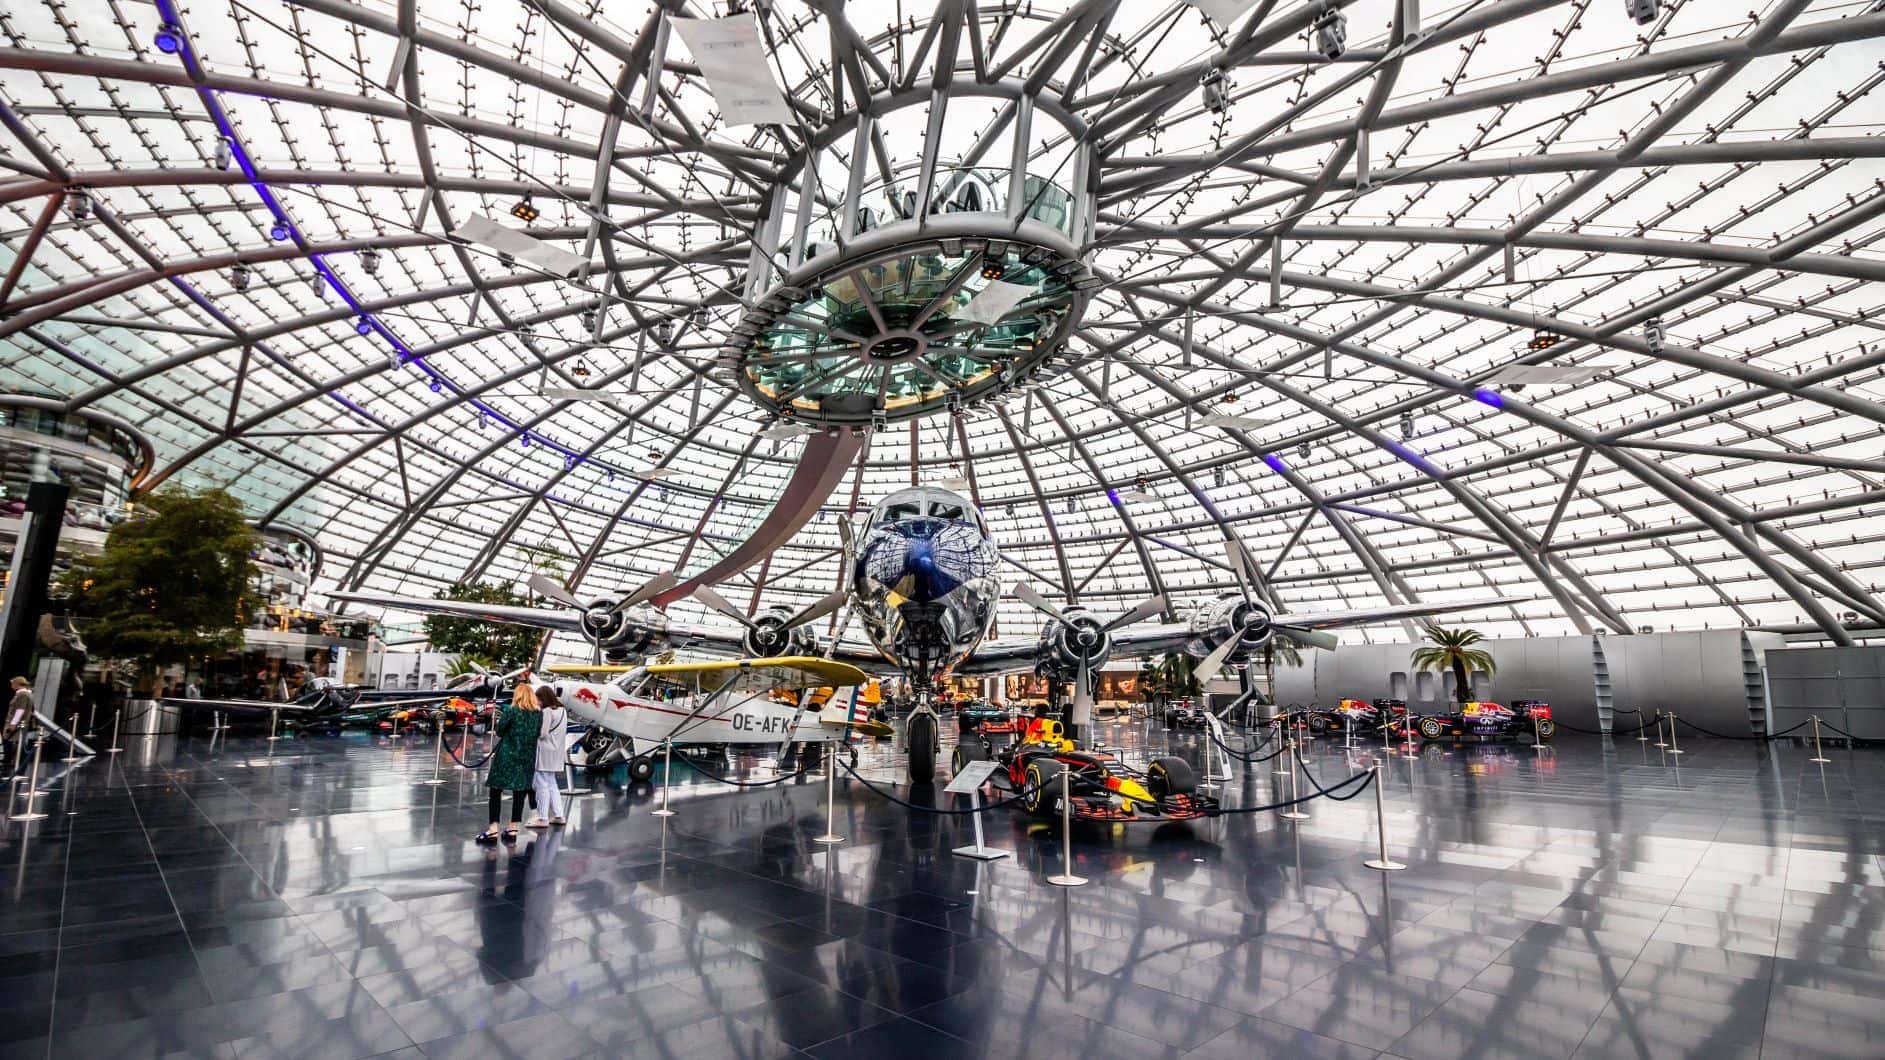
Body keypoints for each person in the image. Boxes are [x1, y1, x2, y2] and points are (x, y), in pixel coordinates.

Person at [477, 683, 540, 844]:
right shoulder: (538, 714)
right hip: (526, 757)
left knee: (496, 791)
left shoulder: (512, 710)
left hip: (507, 755)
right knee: (520, 792)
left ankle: (493, 829)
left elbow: (499, 730)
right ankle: (513, 829)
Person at [527, 686, 568, 829]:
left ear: (543, 698)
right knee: (552, 784)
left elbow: (543, 733)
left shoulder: (547, 711)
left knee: (541, 784)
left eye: (538, 699)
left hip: (544, 752)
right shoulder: (562, 711)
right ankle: (559, 815)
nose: (537, 702)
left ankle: (542, 817)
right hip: (556, 752)